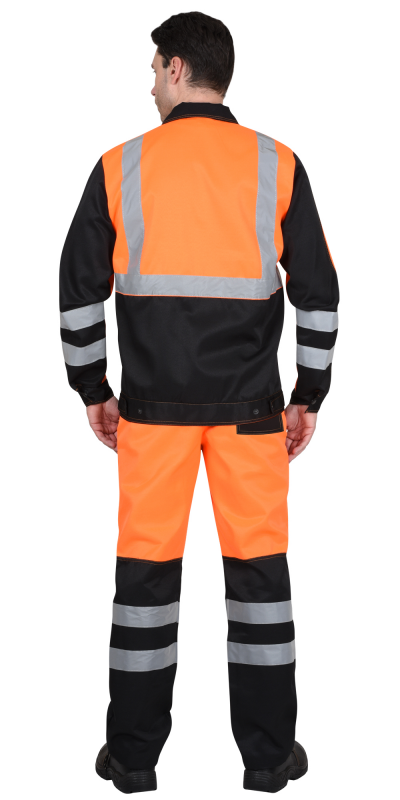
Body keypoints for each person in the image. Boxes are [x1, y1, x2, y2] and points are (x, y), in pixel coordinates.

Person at [60, 11, 339, 794]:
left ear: (178, 68)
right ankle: (269, 760)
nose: (149, 82)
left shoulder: (120, 165)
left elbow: (77, 293)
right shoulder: (277, 163)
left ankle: (133, 760)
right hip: (253, 416)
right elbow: (319, 295)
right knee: (261, 587)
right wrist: (308, 395)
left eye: (154, 68)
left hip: (150, 416)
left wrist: (94, 389)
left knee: (144, 588)